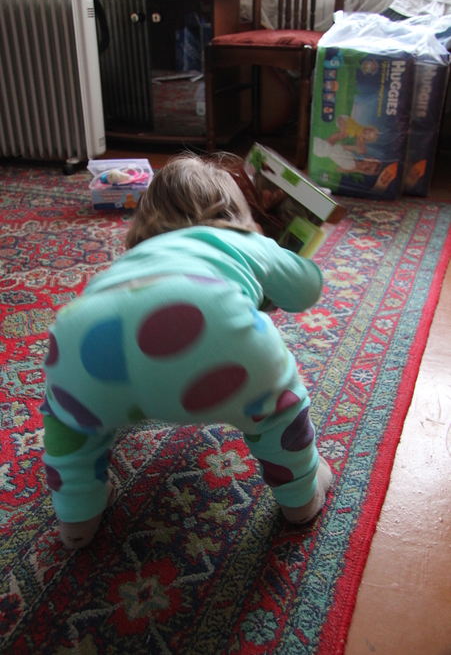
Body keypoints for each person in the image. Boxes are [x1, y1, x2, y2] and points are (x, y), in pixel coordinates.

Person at [40, 153, 333, 549]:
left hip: (83, 331)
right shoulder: (242, 239)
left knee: (69, 418)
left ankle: (77, 516)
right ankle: (300, 497)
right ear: (236, 213)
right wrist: (274, 249)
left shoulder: (133, 258)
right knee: (279, 409)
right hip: (215, 321)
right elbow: (306, 288)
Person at [313, 137, 382, 175]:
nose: (371, 158)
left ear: (367, 166)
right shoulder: (354, 161)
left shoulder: (350, 165)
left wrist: (352, 148)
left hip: (321, 149)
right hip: (324, 146)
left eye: (371, 161)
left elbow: (335, 151)